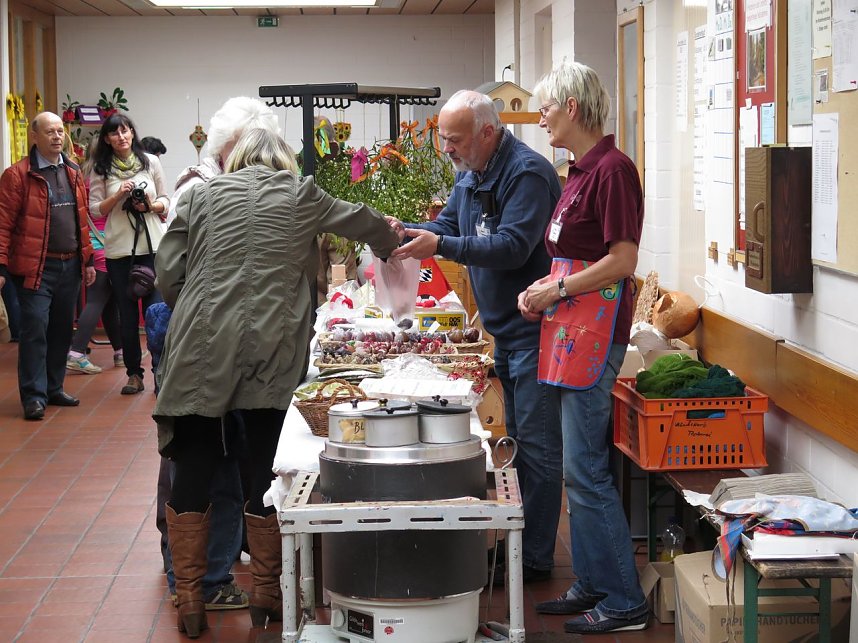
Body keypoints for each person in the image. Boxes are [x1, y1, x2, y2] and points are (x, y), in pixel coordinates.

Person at [153, 127, 399, 638]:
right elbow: (362, 221)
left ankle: (192, 602)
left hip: (201, 341)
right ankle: (266, 596)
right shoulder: (300, 192)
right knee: (263, 463)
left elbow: (168, 270)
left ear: (238, 160)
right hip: (273, 340)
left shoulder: (198, 194)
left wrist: (197, 310)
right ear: (282, 161)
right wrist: (395, 239)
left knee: (193, 466)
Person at [389, 89, 563, 583]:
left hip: (538, 334)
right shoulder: (473, 171)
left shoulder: (526, 174)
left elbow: (511, 247)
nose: (447, 150)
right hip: (504, 334)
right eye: (444, 139)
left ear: (488, 132)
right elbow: (446, 224)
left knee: (540, 449)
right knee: (521, 443)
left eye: (455, 140)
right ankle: (520, 546)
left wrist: (440, 243)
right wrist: (405, 231)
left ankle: (533, 559)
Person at [518, 61, 648, 634]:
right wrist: (542, 289)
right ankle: (595, 582)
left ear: (572, 107)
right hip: (570, 329)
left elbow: (622, 261)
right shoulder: (577, 171)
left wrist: (559, 289)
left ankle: (624, 598)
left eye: (546, 106)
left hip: (595, 334)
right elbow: (569, 255)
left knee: (587, 471)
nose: (540, 116)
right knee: (578, 470)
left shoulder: (614, 171)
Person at [153, 96, 285, 616]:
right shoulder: (202, 187)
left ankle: (203, 581)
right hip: (196, 332)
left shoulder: (208, 183)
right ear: (236, 145)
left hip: (205, 331)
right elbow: (175, 277)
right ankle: (195, 580)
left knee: (213, 457)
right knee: (198, 458)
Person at [0, 112, 96, 420]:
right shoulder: (17, 175)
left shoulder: (73, 171)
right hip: (35, 268)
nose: (57, 136)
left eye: (60, 131)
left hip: (70, 266)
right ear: (34, 137)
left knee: (60, 330)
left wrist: (88, 258)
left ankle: (54, 388)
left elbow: (83, 220)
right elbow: (3, 224)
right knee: (35, 330)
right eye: (50, 132)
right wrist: (1, 267)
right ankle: (33, 396)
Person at [89, 113, 170, 395]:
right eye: (114, 133)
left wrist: (150, 206)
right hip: (120, 251)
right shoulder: (101, 169)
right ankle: (134, 374)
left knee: (157, 313)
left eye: (125, 131)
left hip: (153, 248)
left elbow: (165, 200)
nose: (121, 137)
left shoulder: (151, 161)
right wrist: (117, 196)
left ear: (132, 133)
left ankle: (161, 372)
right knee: (127, 313)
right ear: (107, 139)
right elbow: (95, 209)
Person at [66, 139, 123, 374]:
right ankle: (77, 352)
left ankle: (120, 351)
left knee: (106, 301)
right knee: (98, 298)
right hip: (104, 242)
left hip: (93, 242)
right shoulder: (102, 175)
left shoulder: (81, 174)